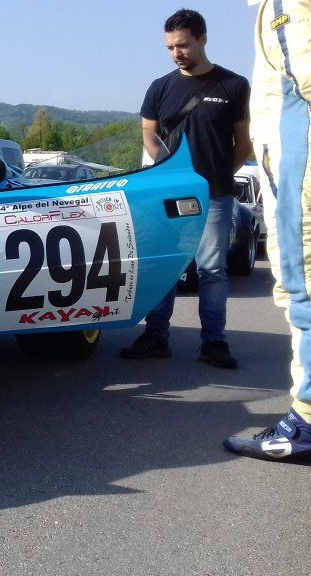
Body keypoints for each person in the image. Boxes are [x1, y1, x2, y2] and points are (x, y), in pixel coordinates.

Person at [121, 9, 252, 368]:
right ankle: (156, 336)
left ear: (202, 39)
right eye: (170, 47)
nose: (176, 53)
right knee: (164, 265)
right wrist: (169, 171)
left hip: (215, 195)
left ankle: (214, 343)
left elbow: (243, 144)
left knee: (212, 270)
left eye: (183, 45)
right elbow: (149, 134)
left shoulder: (234, 85)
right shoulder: (160, 87)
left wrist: (216, 177)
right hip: (168, 195)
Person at [223, 0, 311, 462]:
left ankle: (307, 422)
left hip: (299, 170)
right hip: (292, 166)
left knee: (305, 292)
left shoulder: (284, 2)